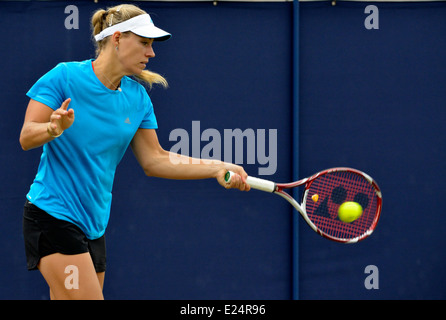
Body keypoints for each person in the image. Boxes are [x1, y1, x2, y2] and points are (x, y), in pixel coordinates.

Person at [19, 4, 250, 300]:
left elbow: (155, 159)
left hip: (94, 226)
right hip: (52, 216)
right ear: (117, 38)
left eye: (151, 45)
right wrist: (52, 129)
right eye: (144, 43)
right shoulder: (63, 77)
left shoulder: (137, 97)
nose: (151, 53)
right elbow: (27, 136)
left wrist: (217, 167)